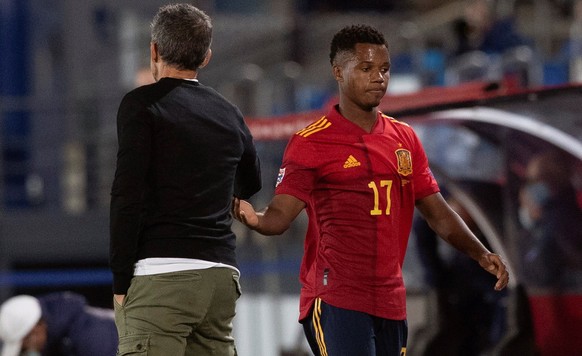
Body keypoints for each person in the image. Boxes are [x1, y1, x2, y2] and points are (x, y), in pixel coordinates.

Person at [232, 24, 509, 356]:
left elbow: (439, 214)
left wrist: (480, 253)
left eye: (384, 69)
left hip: (391, 300)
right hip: (336, 297)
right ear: (338, 71)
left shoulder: (404, 138)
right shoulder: (311, 142)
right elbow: (280, 216)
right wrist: (255, 219)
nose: (379, 77)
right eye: (366, 68)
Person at [109, 4, 262, 355]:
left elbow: (126, 194)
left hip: (162, 277)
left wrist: (120, 278)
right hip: (221, 279)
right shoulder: (229, 113)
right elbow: (250, 180)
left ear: (154, 50)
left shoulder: (141, 105)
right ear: (206, 57)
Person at [411, 195, 507, 355]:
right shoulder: (452, 270)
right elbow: (424, 229)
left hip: (483, 328)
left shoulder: (494, 245)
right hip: (459, 326)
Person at [518, 150, 582, 288]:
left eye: (532, 181)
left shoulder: (561, 222)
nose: (528, 188)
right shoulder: (552, 219)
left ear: (550, 183)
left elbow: (539, 273)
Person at [0, 292, 118, 356]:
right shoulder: (60, 337)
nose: (26, 351)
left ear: (34, 330)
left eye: (23, 347)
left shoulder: (91, 335)